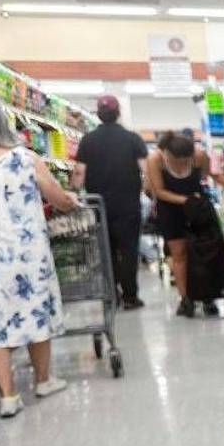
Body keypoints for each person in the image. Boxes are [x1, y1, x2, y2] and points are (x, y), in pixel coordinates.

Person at [0, 99, 80, 418]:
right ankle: (43, 379)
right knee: (33, 309)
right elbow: (59, 200)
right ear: (1, 125)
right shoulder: (26, 159)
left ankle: (7, 395)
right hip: (26, 254)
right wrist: (70, 200)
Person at [72, 94, 148, 309]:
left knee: (107, 250)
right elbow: (146, 171)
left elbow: (79, 173)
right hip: (128, 205)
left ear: (98, 114)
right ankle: (131, 297)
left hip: (99, 206)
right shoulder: (133, 138)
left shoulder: (87, 140)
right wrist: (147, 190)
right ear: (118, 113)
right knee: (129, 250)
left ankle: (112, 295)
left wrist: (73, 192)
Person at [147, 132, 224, 317]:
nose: (181, 165)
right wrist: (186, 200)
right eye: (177, 161)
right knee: (179, 254)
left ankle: (206, 294)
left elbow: (213, 175)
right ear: (167, 154)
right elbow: (159, 191)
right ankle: (186, 298)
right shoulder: (155, 160)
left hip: (197, 211)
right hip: (170, 210)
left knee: (204, 251)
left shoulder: (199, 156)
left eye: (186, 161)